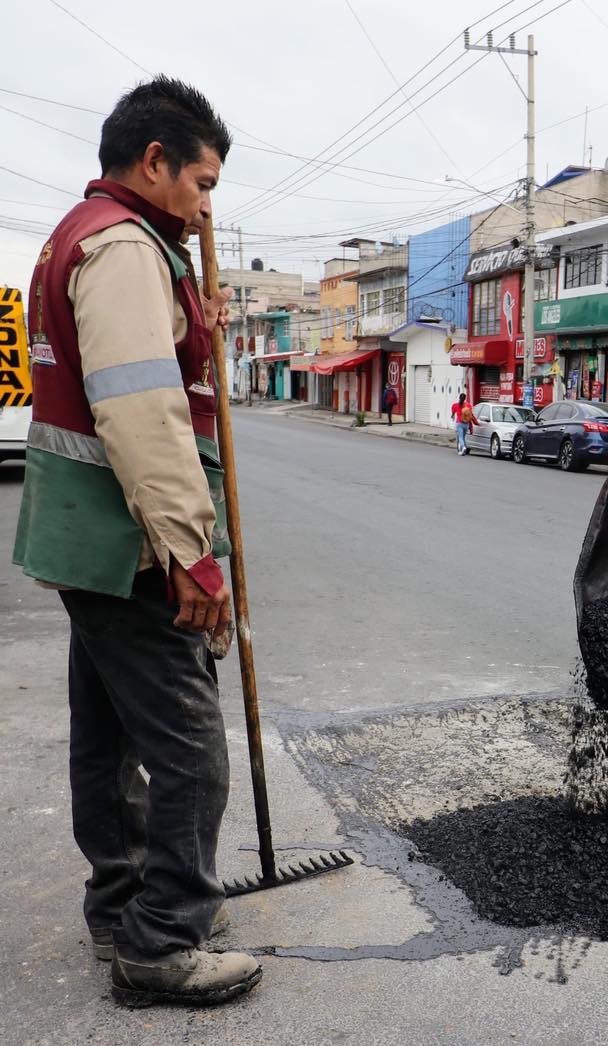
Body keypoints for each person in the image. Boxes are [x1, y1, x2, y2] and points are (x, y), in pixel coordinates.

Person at [12, 77, 262, 1006]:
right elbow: (141, 413)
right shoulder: (121, 250)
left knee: (107, 733)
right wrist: (192, 556)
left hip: (90, 541)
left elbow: (147, 364)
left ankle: (122, 902)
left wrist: (197, 318)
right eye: (200, 183)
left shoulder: (91, 239)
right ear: (152, 161)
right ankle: (160, 940)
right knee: (192, 749)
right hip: (132, 543)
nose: (206, 205)